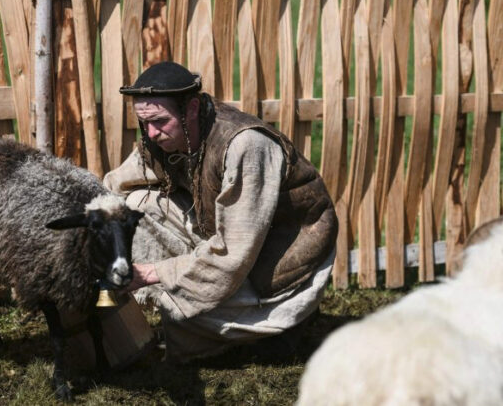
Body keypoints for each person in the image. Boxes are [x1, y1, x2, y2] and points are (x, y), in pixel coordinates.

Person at [103, 61, 339, 362]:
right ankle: (216, 317)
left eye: (160, 121)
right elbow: (114, 185)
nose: (151, 133)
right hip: (228, 238)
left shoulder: (246, 147)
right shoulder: (164, 135)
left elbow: (232, 254)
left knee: (179, 309)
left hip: (278, 266)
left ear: (190, 108)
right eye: (144, 123)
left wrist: (152, 274)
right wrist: (86, 217)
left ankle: (278, 328)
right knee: (132, 206)